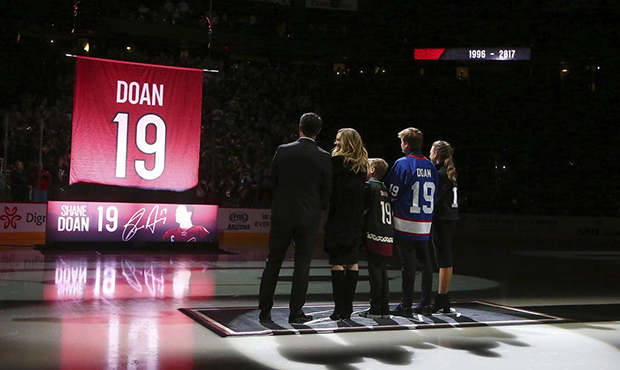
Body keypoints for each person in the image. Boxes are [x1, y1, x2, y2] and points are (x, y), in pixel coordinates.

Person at [258, 112, 332, 324]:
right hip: (308, 216)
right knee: (302, 264)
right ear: (317, 132)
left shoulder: (283, 150)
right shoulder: (324, 156)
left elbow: (273, 181)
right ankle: (296, 312)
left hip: (283, 213)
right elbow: (326, 191)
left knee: (273, 261)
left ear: (300, 127)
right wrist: (316, 206)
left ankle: (265, 310)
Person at [384, 128, 438, 317]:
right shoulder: (431, 166)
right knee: (426, 263)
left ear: (406, 144)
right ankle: (425, 303)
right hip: (425, 222)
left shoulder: (403, 163)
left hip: (405, 221)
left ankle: (406, 305)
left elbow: (393, 192)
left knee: (408, 265)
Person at [324, 128, 368, 320]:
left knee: (337, 261)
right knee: (352, 260)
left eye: (338, 140)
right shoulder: (362, 165)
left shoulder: (335, 162)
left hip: (338, 215)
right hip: (356, 217)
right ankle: (348, 308)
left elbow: (329, 190)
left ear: (347, 142)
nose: (335, 143)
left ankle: (338, 308)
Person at [360, 158, 394, 319]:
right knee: (382, 271)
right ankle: (384, 308)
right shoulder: (385, 188)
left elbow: (363, 210)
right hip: (387, 232)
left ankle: (375, 309)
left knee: (375, 272)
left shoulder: (369, 187)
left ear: (372, 170)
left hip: (374, 233)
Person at [429, 140, 459, 313]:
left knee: (443, 259)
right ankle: (443, 296)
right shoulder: (450, 173)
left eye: (432, 152)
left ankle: (442, 297)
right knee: (445, 258)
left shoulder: (440, 174)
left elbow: (436, 197)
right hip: (450, 217)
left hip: (442, 218)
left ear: (437, 155)